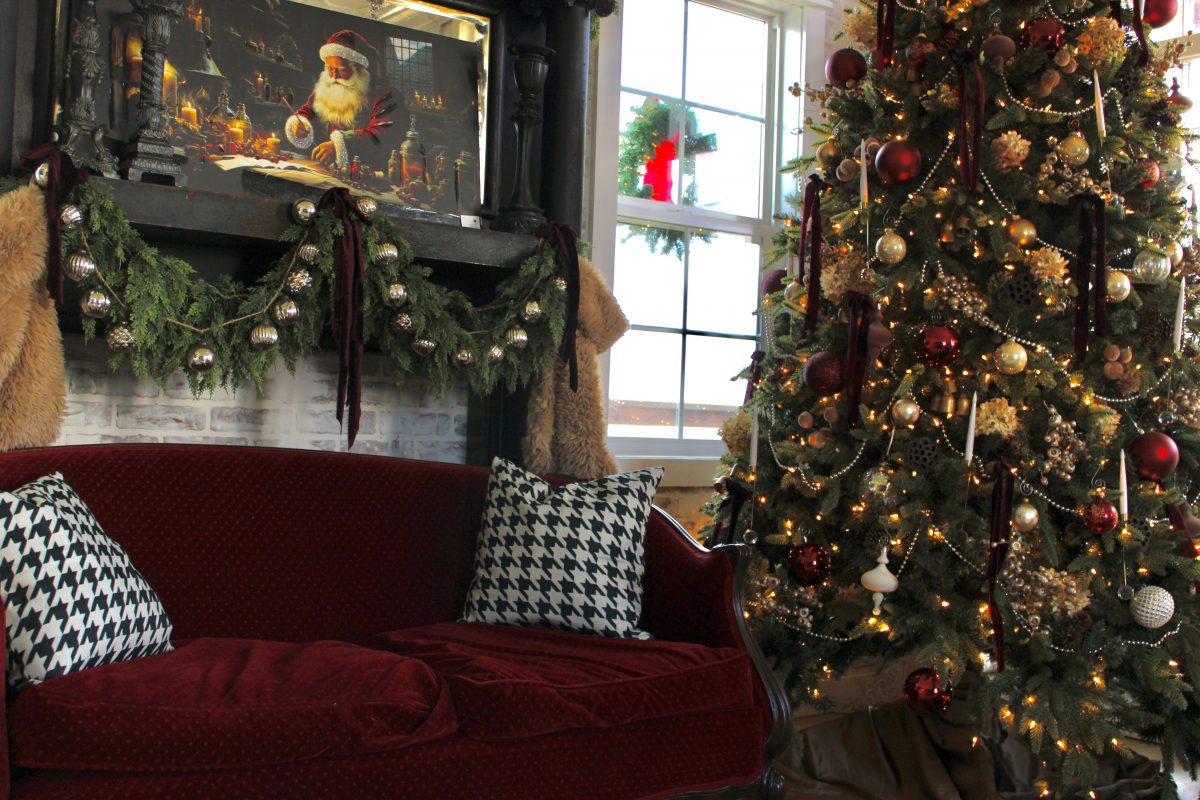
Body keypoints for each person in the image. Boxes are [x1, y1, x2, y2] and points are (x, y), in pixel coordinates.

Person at [284, 30, 395, 169]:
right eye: (330, 68)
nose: (334, 75)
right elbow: (307, 110)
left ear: (358, 68)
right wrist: (300, 123)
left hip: (365, 172)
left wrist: (340, 144)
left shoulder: (381, 93)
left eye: (341, 69)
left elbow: (381, 134)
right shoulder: (326, 86)